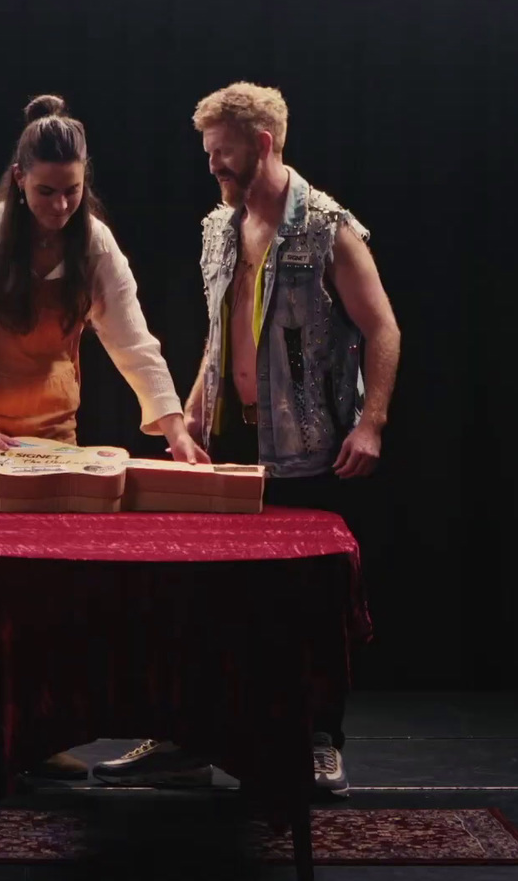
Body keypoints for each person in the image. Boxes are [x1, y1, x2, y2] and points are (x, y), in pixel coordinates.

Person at [92, 83, 402, 797]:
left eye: (221, 152)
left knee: (309, 606)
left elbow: (382, 326)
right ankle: (185, 739)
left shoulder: (328, 228)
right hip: (230, 446)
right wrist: (192, 413)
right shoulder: (218, 228)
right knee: (195, 597)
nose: (212, 167)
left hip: (310, 450)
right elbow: (217, 335)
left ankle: (320, 742)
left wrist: (372, 420)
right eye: (208, 153)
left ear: (262, 142)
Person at [0, 94, 210, 779]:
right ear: (19, 178)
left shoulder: (95, 242)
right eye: (47, 191)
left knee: (49, 593)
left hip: (52, 429)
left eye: (73, 191)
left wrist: (173, 425)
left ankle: (39, 734)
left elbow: (132, 339)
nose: (59, 205)